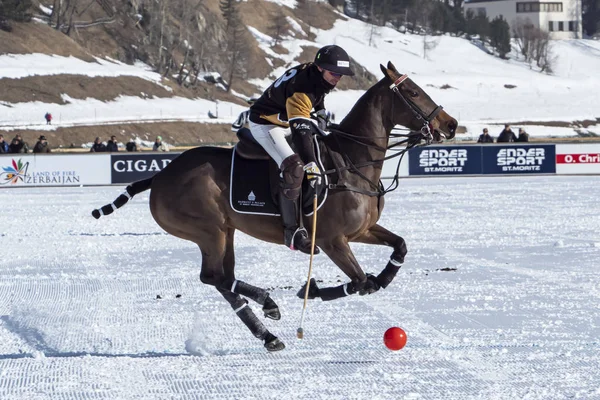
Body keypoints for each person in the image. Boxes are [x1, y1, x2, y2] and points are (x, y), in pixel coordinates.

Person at [248, 44, 354, 254]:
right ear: (321, 68)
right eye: (334, 73)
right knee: (294, 168)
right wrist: (310, 164)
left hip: (284, 121)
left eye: (341, 75)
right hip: (266, 125)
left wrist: (321, 111)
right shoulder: (301, 91)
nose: (337, 78)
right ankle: (292, 232)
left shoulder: (315, 74)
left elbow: (319, 93)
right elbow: (301, 131)